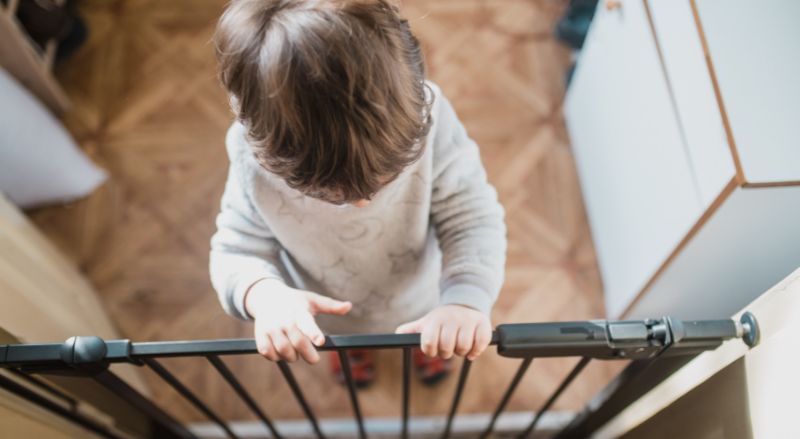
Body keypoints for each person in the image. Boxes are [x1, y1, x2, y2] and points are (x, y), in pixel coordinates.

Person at [210, 0, 506, 386]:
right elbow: (236, 250)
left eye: (386, 177)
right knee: (342, 340)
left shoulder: (431, 119)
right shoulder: (250, 159)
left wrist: (465, 300)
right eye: (328, 193)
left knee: (435, 333)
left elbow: (473, 216)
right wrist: (264, 295)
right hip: (326, 309)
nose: (363, 203)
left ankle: (423, 344)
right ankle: (352, 349)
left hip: (425, 297)